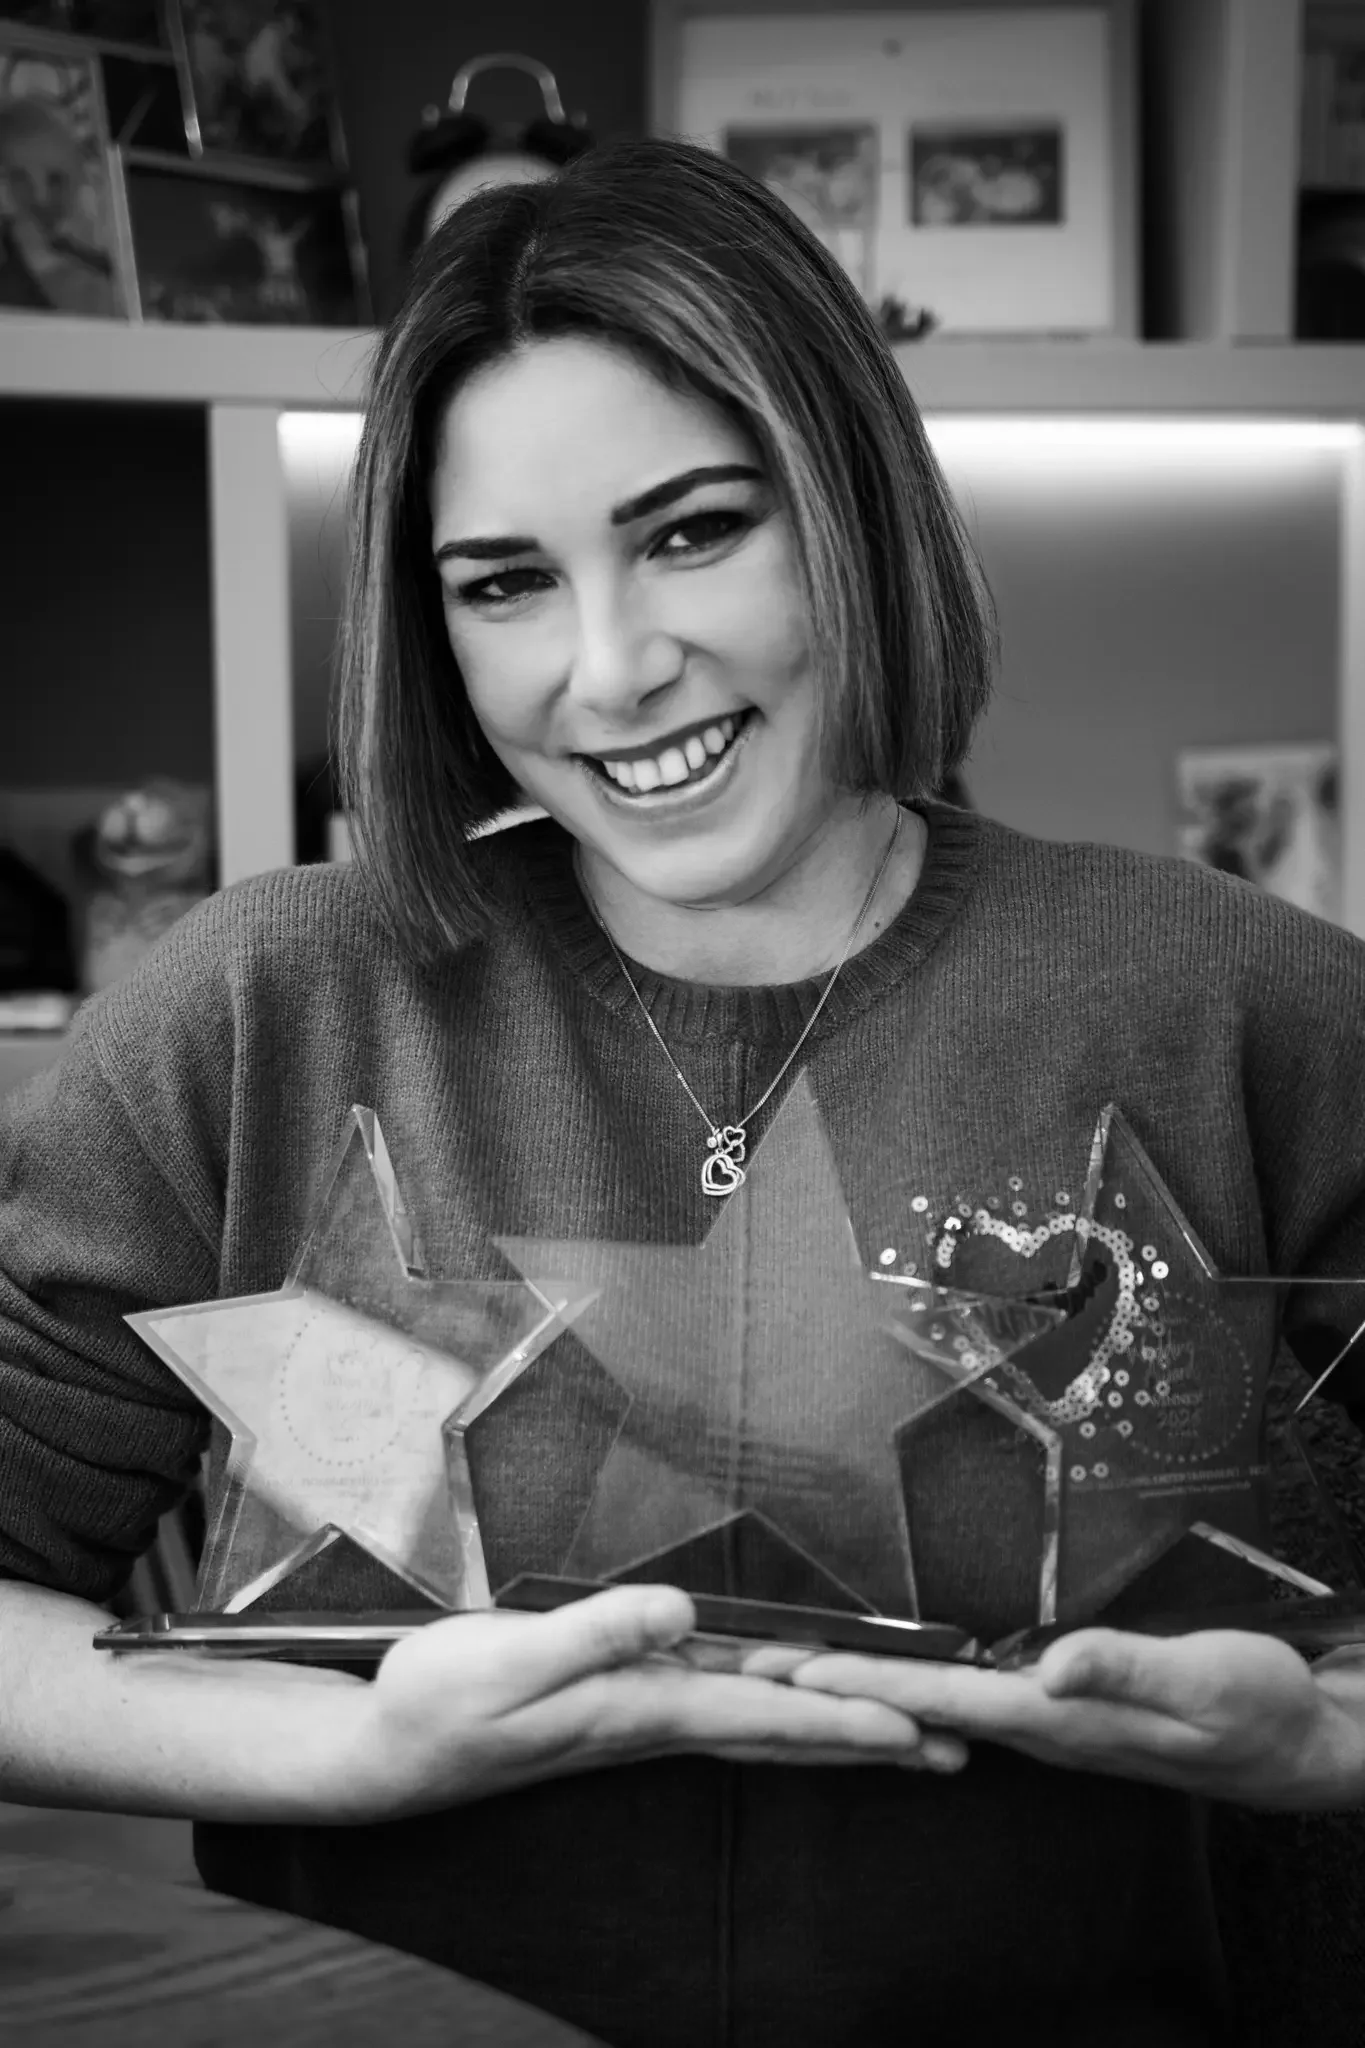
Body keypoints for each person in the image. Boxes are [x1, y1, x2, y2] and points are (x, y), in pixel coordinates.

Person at [3, 135, 1365, 2048]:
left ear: (850, 505)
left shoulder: (1247, 1004)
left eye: (694, 530)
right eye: (504, 584)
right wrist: (343, 1755)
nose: (614, 669)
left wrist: (1332, 1745)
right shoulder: (264, 1000)